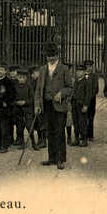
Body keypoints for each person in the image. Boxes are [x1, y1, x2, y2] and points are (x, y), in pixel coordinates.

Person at [34, 42, 72, 170]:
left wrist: (61, 94)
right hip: (46, 105)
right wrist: (37, 105)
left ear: (57, 55)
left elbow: (70, 87)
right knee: (49, 131)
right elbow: (38, 89)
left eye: (53, 55)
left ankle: (60, 159)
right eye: (48, 56)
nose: (50, 58)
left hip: (59, 106)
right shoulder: (43, 69)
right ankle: (51, 158)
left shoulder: (64, 69)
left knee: (59, 132)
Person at [14, 68, 37, 149]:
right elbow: (12, 97)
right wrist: (16, 102)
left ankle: (34, 142)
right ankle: (22, 143)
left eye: (23, 77)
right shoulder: (15, 87)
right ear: (17, 77)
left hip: (27, 110)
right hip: (18, 110)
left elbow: (32, 99)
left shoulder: (29, 87)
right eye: (20, 77)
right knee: (20, 127)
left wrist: (25, 102)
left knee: (29, 126)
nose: (21, 79)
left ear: (26, 78)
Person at [71, 64, 90, 147]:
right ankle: (76, 139)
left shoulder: (86, 82)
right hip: (75, 104)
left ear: (84, 72)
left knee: (82, 122)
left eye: (81, 71)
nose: (78, 73)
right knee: (75, 122)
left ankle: (84, 139)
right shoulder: (76, 81)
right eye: (77, 71)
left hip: (81, 105)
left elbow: (88, 95)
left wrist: (85, 105)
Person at [29, 66, 46, 148]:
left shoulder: (42, 82)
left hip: (41, 105)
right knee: (38, 123)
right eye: (31, 74)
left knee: (42, 123)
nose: (32, 75)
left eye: (33, 73)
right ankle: (40, 139)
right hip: (35, 105)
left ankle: (43, 140)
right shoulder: (33, 82)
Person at [84, 59, 99, 141]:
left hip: (91, 100)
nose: (89, 68)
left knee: (91, 117)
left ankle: (90, 135)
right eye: (87, 66)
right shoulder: (82, 75)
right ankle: (83, 134)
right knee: (83, 117)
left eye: (90, 66)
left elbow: (96, 89)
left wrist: (90, 97)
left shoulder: (94, 76)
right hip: (83, 100)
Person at [8, 65, 22, 145]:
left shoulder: (19, 81)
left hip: (17, 105)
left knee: (18, 123)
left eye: (14, 71)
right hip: (10, 105)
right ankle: (10, 138)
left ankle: (19, 138)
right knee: (10, 122)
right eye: (11, 72)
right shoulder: (8, 82)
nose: (13, 73)